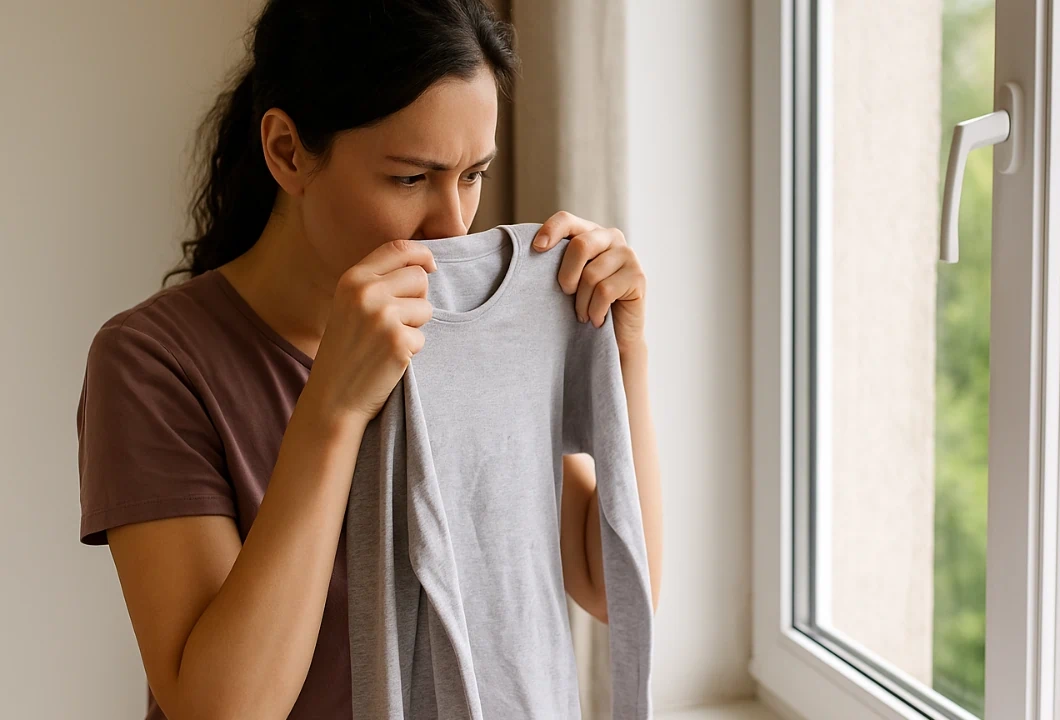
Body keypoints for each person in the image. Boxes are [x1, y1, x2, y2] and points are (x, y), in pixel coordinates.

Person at [74, 1, 663, 718]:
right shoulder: (151, 364)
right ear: (288, 151)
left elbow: (612, 586)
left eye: (473, 174)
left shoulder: (471, 330)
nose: (452, 224)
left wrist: (622, 346)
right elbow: (221, 709)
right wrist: (335, 409)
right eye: (410, 179)